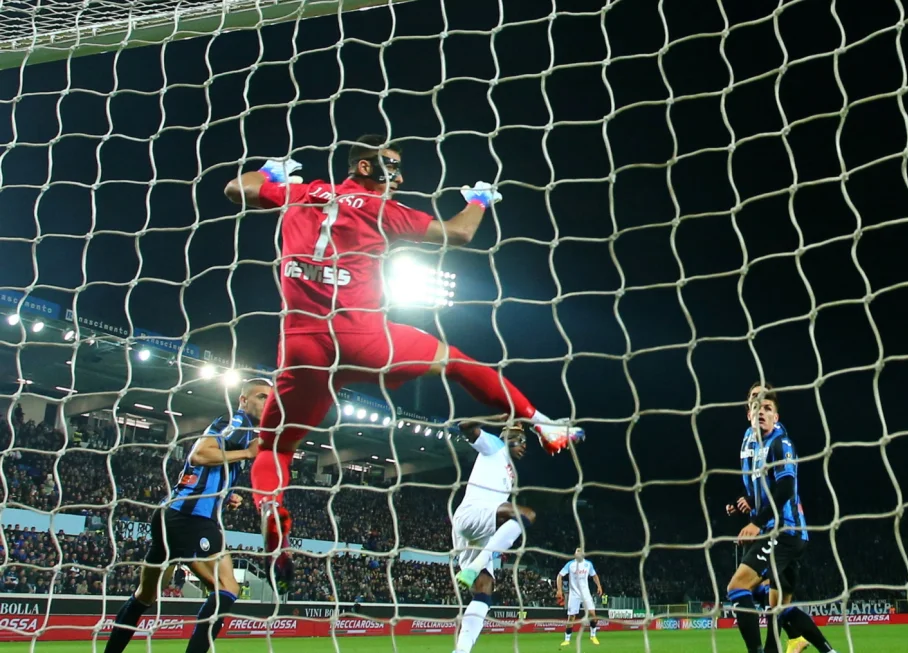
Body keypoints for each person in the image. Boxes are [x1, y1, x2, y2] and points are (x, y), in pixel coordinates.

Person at [223, 135, 584, 582]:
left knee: (275, 446)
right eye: (392, 166)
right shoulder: (381, 210)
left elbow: (237, 189)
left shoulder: (302, 193)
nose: (400, 175)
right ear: (365, 168)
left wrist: (274, 170)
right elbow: (461, 232)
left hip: (303, 346)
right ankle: (542, 420)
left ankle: (273, 515)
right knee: (456, 362)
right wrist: (478, 200)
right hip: (366, 338)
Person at [104, 379, 270, 653]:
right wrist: (248, 453)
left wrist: (227, 495)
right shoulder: (237, 421)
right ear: (243, 400)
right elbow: (199, 455)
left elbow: (204, 472)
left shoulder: (243, 428)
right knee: (227, 588)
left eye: (270, 400)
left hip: (171, 514)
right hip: (190, 518)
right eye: (261, 397)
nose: (267, 403)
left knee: (145, 596)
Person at [725, 390, 834, 653]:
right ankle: (824, 649)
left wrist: (755, 522)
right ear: (748, 412)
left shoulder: (780, 442)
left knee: (738, 587)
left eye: (767, 406)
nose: (761, 410)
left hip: (785, 530)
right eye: (755, 404)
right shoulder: (748, 441)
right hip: (774, 530)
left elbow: (785, 487)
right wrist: (746, 502)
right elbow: (759, 486)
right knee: (777, 607)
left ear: (776, 415)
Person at [450, 423, 534, 653]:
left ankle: (461, 650)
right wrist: (496, 417)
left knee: (484, 588)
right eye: (521, 439)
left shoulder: (509, 471)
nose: (524, 446)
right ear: (507, 436)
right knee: (526, 514)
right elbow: (465, 427)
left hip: (479, 531)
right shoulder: (494, 446)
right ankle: (475, 565)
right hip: (474, 514)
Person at [557, 548, 604, 646]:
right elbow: (559, 576)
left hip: (585, 593)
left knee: (592, 614)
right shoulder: (570, 565)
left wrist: (599, 586)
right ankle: (567, 639)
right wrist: (559, 590)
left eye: (580, 552)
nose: (578, 553)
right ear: (574, 554)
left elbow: (594, 575)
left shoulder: (588, 564)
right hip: (574, 594)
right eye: (576, 551)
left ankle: (593, 636)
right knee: (571, 617)